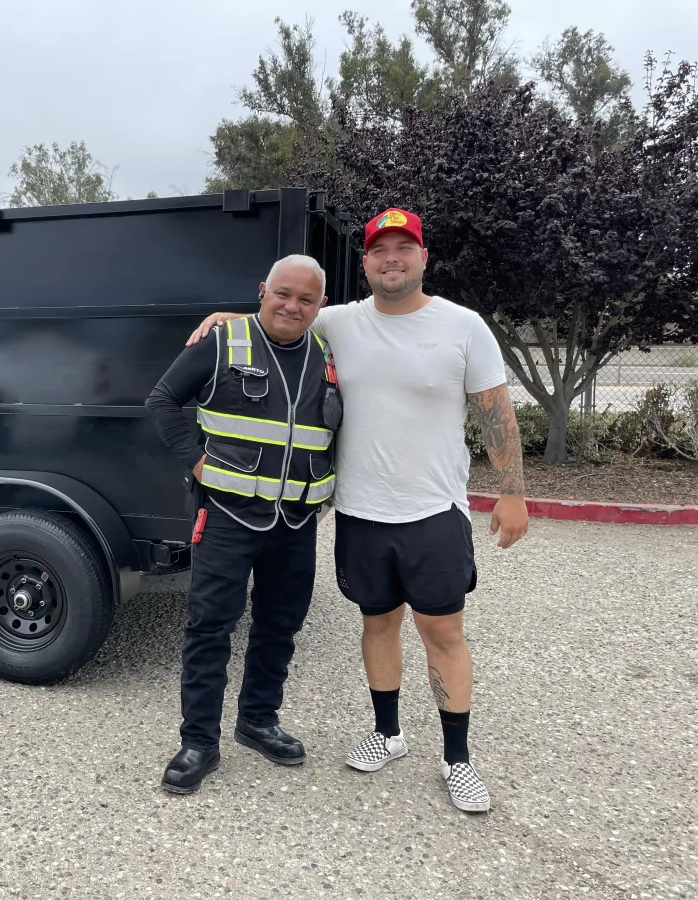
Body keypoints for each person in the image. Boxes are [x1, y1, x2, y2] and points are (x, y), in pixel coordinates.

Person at [184, 208, 529, 813]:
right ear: (366, 262)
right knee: (378, 625)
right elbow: (281, 313)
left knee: (443, 633)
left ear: (423, 257)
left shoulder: (463, 326)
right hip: (361, 512)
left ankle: (458, 760)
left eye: (404, 248)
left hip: (433, 509)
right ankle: (388, 733)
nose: (392, 259)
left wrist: (513, 490)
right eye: (379, 250)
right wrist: (226, 318)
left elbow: (495, 410)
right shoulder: (339, 322)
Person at [145, 254, 341, 794]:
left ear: (321, 305)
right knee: (210, 628)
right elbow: (162, 400)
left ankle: (258, 720)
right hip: (228, 517)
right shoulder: (223, 342)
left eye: (306, 299)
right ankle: (198, 742)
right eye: (283, 293)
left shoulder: (329, 353)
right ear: (262, 291)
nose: (292, 306)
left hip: (296, 521)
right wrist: (196, 461)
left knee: (280, 626)